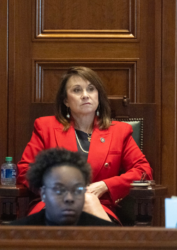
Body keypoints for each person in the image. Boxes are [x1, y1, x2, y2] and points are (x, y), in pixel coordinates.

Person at [16, 66, 152, 222]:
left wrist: (105, 185)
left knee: (89, 200)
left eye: (91, 89)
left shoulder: (119, 132)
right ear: (66, 100)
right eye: (77, 90)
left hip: (99, 206)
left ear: (98, 96)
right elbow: (25, 171)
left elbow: (143, 171)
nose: (85, 95)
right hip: (52, 204)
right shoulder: (45, 127)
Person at [11, 148, 114, 226]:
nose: (69, 198)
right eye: (59, 190)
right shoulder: (16, 234)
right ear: (43, 194)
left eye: (77, 190)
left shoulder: (106, 232)